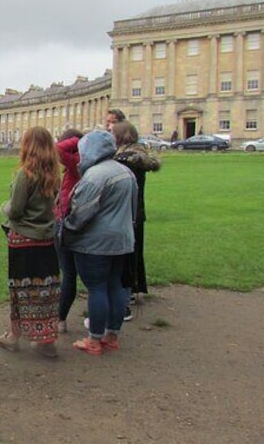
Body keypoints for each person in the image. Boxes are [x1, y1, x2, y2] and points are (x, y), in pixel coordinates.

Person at [62, 130, 137, 356]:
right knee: (115, 285)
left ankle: (94, 339)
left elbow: (81, 213)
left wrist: (66, 228)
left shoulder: (94, 175)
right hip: (122, 239)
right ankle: (111, 335)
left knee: (96, 288)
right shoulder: (126, 172)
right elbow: (134, 208)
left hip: (95, 243)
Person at [0, 127, 61, 358]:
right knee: (45, 289)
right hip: (47, 238)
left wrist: (4, 207)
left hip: (23, 239)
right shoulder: (54, 173)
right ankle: (46, 341)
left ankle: (14, 337)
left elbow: (16, 209)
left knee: (21, 290)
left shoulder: (25, 173)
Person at [112, 121, 161, 315]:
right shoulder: (139, 155)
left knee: (125, 253)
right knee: (136, 250)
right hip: (137, 209)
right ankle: (138, 288)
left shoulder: (124, 158)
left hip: (126, 211)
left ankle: (128, 292)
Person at [55, 129, 83, 333]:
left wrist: (78, 139)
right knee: (70, 273)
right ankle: (61, 318)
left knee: (69, 273)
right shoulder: (76, 166)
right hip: (70, 221)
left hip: (69, 224)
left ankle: (60, 319)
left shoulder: (77, 164)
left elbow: (56, 149)